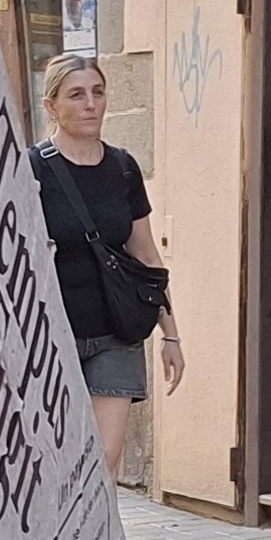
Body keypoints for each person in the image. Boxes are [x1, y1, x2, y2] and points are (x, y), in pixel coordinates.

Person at [31, 51, 179, 479]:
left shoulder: (122, 167)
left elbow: (147, 257)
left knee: (103, 460)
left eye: (97, 92)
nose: (90, 104)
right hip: (52, 336)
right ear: (52, 107)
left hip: (115, 333)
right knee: (54, 463)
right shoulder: (30, 170)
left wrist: (171, 335)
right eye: (76, 95)